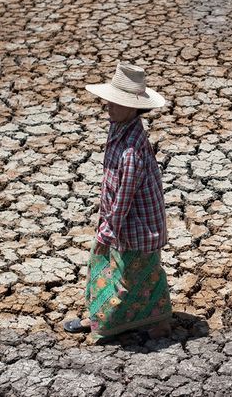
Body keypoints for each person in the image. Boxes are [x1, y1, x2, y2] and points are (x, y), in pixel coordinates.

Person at [63, 62, 172, 343]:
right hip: (118, 218)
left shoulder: (132, 150)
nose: (108, 106)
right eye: (109, 100)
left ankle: (145, 322)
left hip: (136, 224)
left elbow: (125, 195)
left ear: (133, 107)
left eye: (115, 102)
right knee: (106, 266)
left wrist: (110, 229)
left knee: (134, 275)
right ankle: (99, 315)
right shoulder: (119, 129)